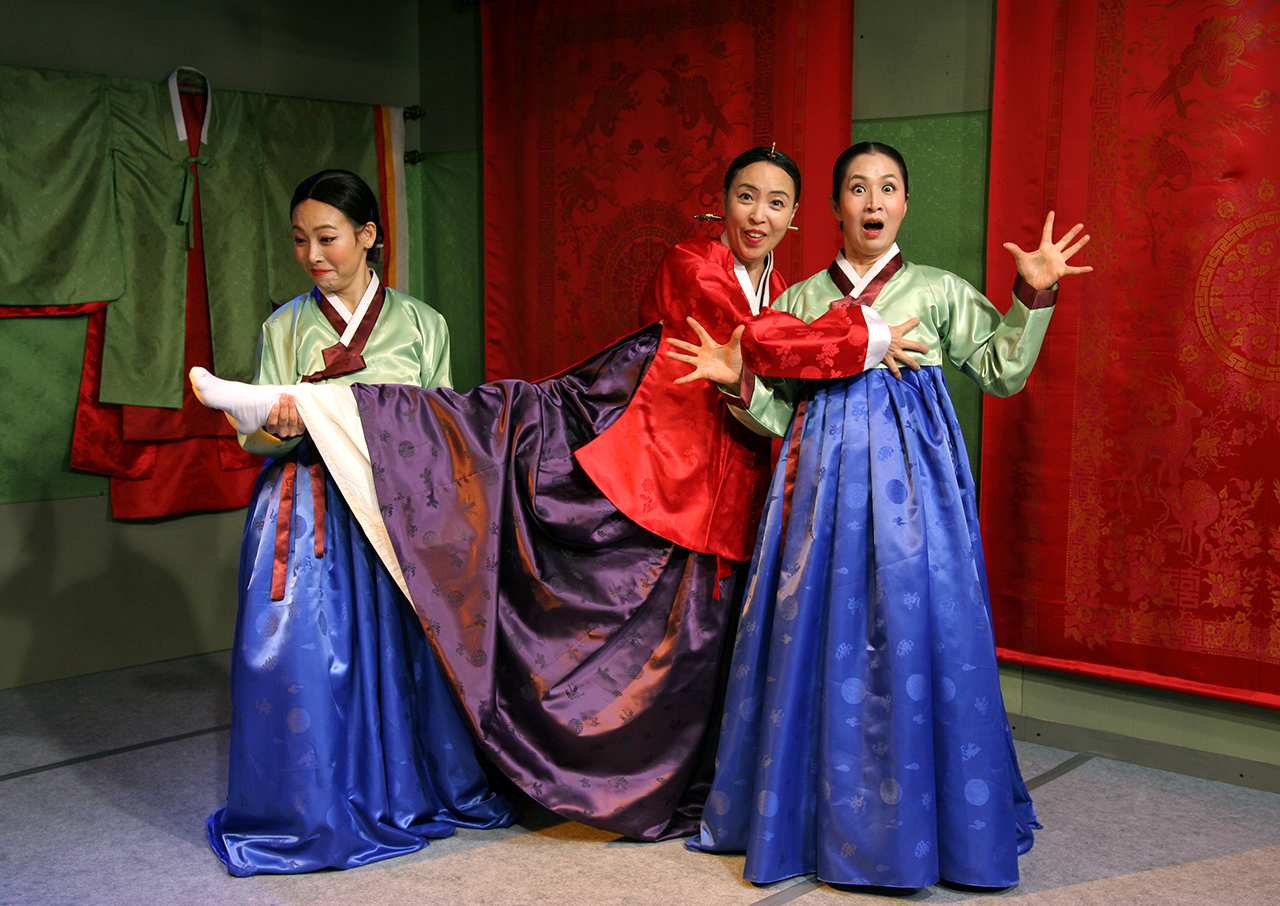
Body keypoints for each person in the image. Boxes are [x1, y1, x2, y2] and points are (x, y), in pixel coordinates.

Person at [194, 148, 925, 844]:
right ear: (722, 205)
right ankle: (298, 405)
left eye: (776, 203)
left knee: (693, 653)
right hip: (649, 458)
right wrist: (863, 336)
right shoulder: (695, 263)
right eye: (745, 197)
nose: (758, 214)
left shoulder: (788, 294)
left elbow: (770, 363)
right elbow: (753, 337)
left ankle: (683, 784)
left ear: (797, 216)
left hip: (724, 489)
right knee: (493, 420)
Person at [676, 141, 1092, 889]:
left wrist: (1032, 294)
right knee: (814, 634)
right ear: (834, 208)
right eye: (858, 188)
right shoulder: (800, 301)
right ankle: (811, 820)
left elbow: (1002, 371)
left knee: (918, 630)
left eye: (888, 187)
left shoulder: (938, 291)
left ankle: (930, 826)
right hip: (819, 497)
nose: (873, 201)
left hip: (917, 497)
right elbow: (781, 416)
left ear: (905, 204)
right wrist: (736, 383)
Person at [205, 169, 514, 877]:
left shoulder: (423, 323)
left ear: (368, 236)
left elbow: (444, 425)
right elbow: (255, 438)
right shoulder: (284, 326)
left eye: (328, 238)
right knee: (306, 660)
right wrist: (278, 425)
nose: (313, 255)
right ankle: (315, 806)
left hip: (393, 507)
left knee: (407, 652)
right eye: (300, 241)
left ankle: (412, 792)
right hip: (307, 505)